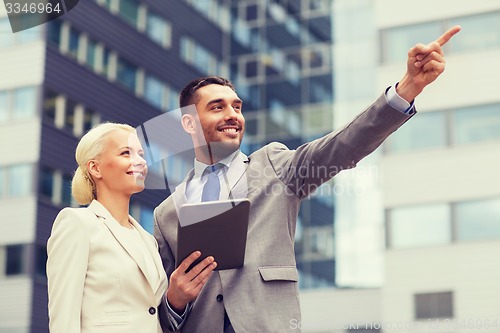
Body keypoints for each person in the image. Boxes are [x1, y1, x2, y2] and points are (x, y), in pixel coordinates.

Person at [153, 26, 461, 332]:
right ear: (189, 123)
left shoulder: (272, 165)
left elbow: (341, 147)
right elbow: (159, 313)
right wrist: (175, 301)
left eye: (237, 106)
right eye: (217, 107)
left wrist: (407, 87)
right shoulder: (167, 212)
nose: (233, 114)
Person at [46, 123, 216, 333]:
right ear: (95, 167)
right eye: (126, 153)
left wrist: (176, 298)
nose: (140, 162)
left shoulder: (148, 240)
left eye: (141, 154)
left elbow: (151, 314)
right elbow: (63, 319)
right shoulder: (77, 224)